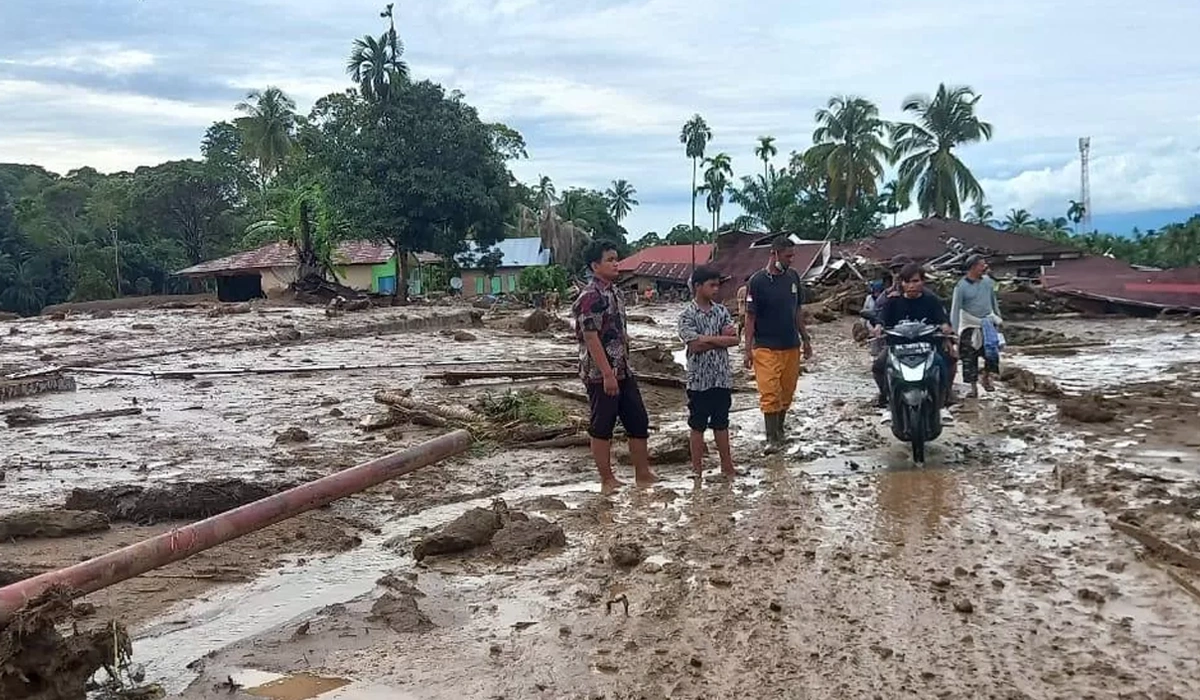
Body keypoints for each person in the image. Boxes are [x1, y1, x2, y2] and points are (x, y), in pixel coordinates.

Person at [572, 240, 657, 493]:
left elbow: (618, 331)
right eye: (610, 260)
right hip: (600, 373)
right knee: (602, 425)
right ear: (595, 265)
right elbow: (590, 337)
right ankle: (607, 479)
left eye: (616, 258)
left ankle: (642, 473)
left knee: (638, 419)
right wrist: (607, 373)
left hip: (623, 369)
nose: (616, 263)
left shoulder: (616, 293)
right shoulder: (589, 297)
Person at [743, 237, 813, 452]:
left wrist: (806, 338)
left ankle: (780, 432)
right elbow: (750, 317)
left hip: (791, 345)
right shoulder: (757, 282)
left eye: (792, 256)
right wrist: (747, 349)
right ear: (774, 254)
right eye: (787, 256)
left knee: (786, 391)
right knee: (770, 392)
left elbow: (797, 311)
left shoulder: (793, 278)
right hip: (765, 346)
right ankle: (771, 437)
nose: (791, 260)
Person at [678, 266, 739, 478]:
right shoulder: (687, 315)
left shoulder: (721, 311)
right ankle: (697, 470)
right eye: (711, 285)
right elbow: (694, 346)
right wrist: (719, 340)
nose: (716, 289)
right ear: (697, 286)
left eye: (717, 285)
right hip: (698, 380)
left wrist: (705, 338)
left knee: (722, 423)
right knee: (697, 425)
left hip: (721, 378)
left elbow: (735, 340)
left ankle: (728, 467)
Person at [871, 263, 954, 408]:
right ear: (901, 283)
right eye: (907, 281)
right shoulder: (893, 302)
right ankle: (885, 395)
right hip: (897, 347)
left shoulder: (931, 300)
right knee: (878, 366)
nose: (911, 285)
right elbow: (881, 319)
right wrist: (878, 327)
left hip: (927, 347)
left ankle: (944, 397)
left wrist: (945, 327)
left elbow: (942, 318)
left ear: (923, 282)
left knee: (949, 361)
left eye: (915, 281)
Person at [950, 254, 1003, 398]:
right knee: (969, 357)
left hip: (987, 322)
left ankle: (986, 378)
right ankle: (973, 388)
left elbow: (993, 302)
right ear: (973, 267)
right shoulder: (961, 286)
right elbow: (955, 310)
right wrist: (954, 333)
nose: (984, 267)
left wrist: (999, 319)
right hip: (969, 324)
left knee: (991, 354)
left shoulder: (987, 282)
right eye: (981, 265)